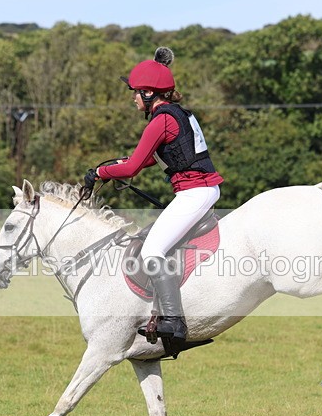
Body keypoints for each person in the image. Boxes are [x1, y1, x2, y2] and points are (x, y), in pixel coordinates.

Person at [83, 47, 224, 344]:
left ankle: (173, 321)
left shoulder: (161, 120)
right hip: (199, 190)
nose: (132, 97)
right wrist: (110, 167)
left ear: (149, 93)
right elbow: (144, 160)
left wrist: (99, 173)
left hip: (194, 192)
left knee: (152, 250)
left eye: (135, 92)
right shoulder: (176, 115)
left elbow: (133, 166)